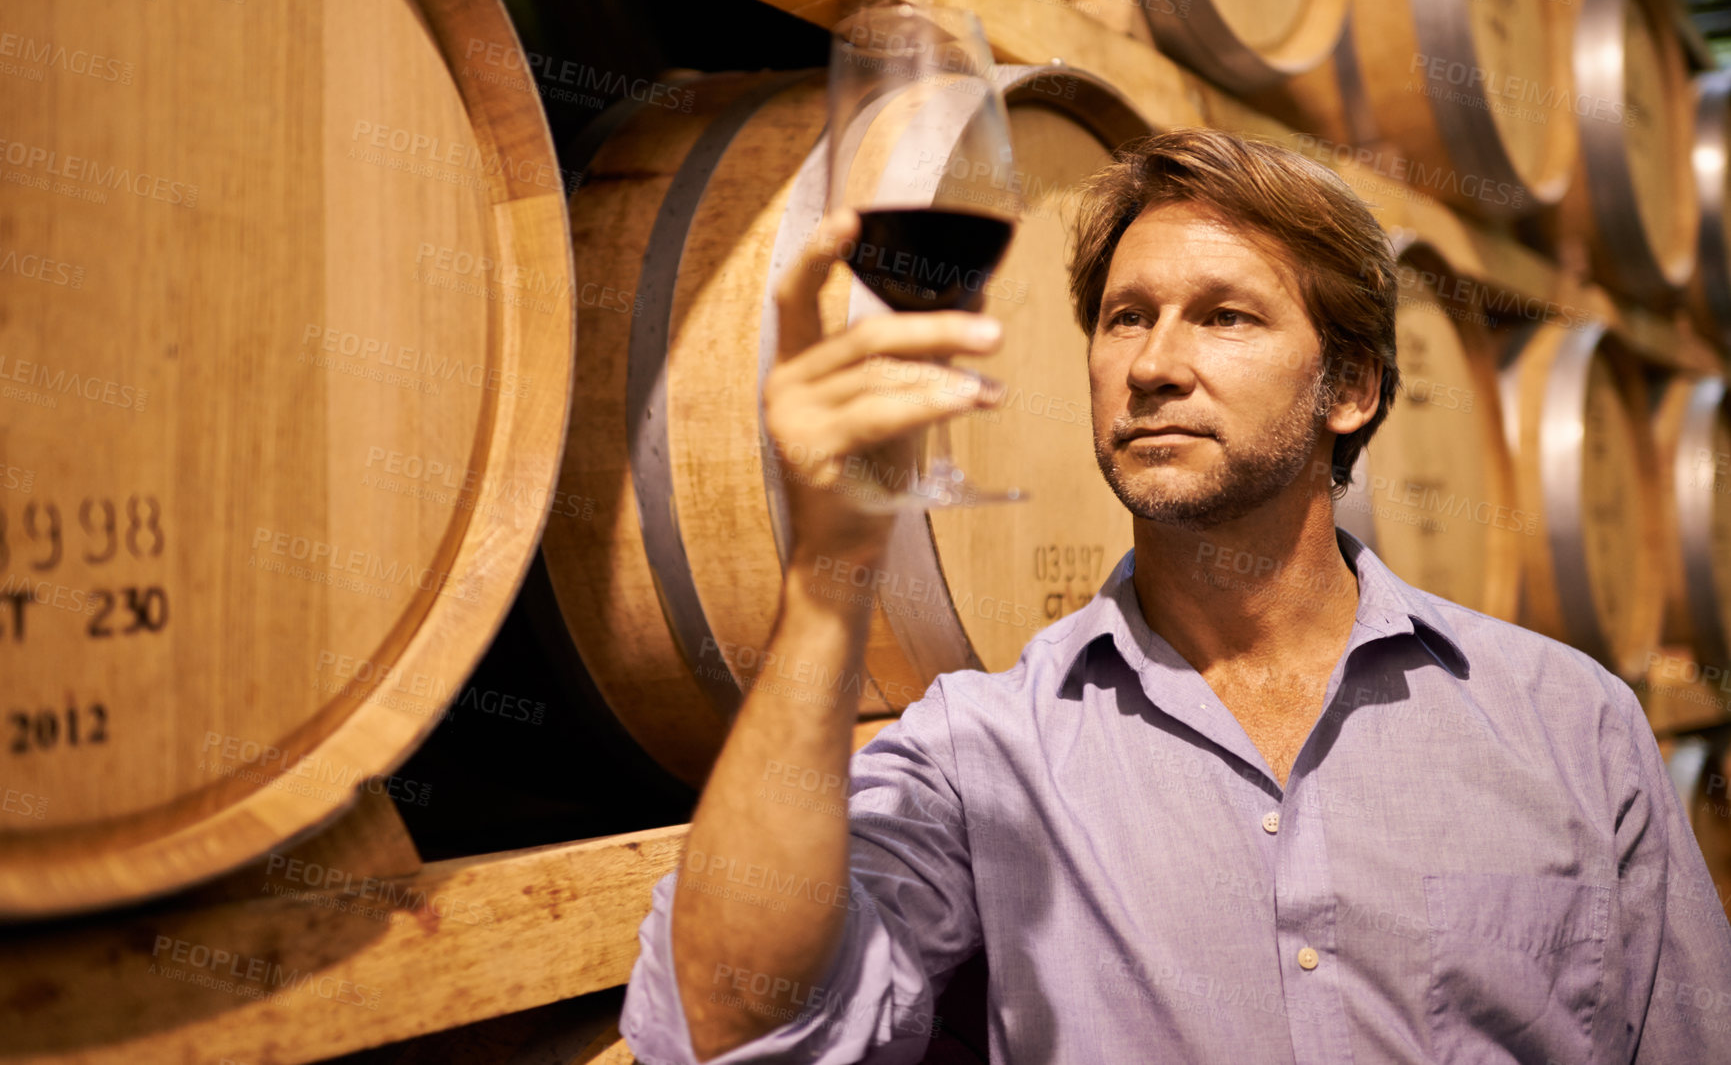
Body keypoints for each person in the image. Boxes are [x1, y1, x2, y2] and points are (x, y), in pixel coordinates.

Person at [618, 129, 1731, 1063]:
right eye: (1125, 316)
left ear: (1350, 389)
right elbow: (726, 1029)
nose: (1153, 364)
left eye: (1224, 318)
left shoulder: (1567, 722)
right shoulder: (988, 751)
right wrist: (829, 569)